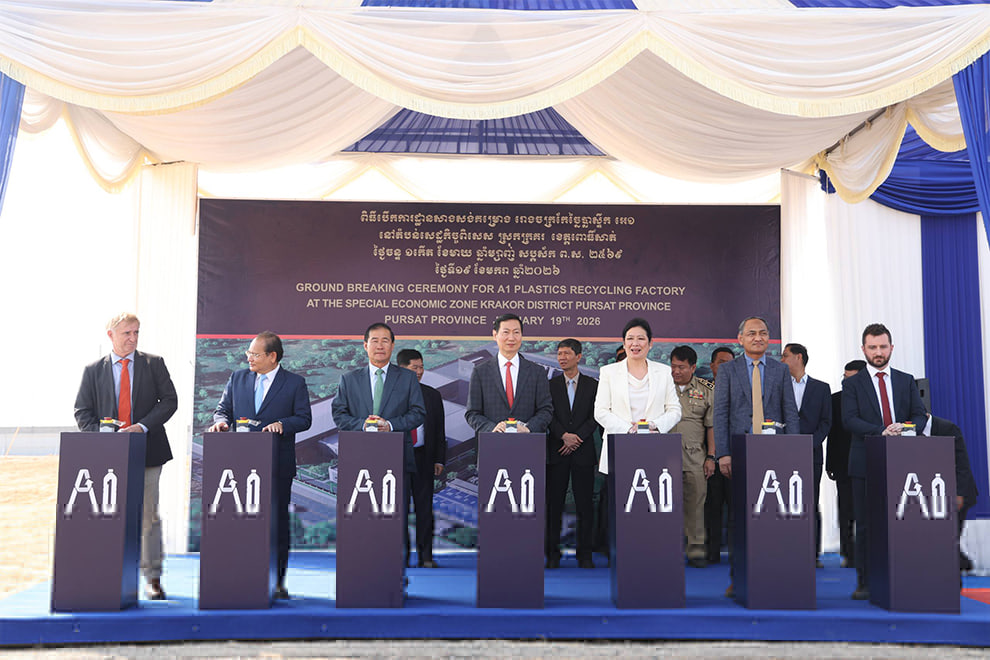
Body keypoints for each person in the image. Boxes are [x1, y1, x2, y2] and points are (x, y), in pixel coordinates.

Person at [74, 313, 178, 601]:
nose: (133, 338)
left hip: (148, 451)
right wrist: (103, 435)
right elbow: (82, 412)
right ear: (110, 335)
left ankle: (152, 578)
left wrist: (142, 426)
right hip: (107, 458)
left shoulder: (154, 363)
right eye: (127, 333)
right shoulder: (93, 370)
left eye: (136, 333)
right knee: (108, 516)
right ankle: (107, 574)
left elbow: (170, 401)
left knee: (148, 516)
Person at [208, 331, 312, 600]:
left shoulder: (294, 383)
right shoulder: (238, 378)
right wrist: (221, 422)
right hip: (240, 465)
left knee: (276, 524)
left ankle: (277, 581)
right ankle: (243, 575)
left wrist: (282, 424)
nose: (249, 358)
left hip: (277, 465)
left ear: (272, 356)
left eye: (255, 354)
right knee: (243, 522)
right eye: (248, 353)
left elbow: (304, 419)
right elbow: (222, 409)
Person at [713, 317, 799, 597]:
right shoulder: (728, 370)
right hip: (739, 452)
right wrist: (723, 453)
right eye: (751, 333)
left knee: (773, 517)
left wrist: (794, 450)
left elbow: (789, 411)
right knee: (740, 518)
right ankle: (738, 577)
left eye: (763, 333)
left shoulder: (780, 370)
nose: (758, 338)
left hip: (775, 453)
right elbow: (721, 413)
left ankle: (773, 574)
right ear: (740, 339)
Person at [842, 323, 927, 600]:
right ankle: (865, 582)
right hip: (865, 463)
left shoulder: (906, 380)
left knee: (902, 523)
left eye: (882, 347)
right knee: (866, 525)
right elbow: (849, 420)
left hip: (903, 463)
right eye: (872, 347)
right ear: (863, 349)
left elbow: (920, 415)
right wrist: (882, 431)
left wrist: (905, 427)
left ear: (891, 347)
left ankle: (903, 578)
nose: (878, 352)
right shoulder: (852, 384)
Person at [332, 323, 427, 571]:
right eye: (374, 340)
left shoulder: (406, 378)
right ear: (365, 346)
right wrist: (362, 425)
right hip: (360, 461)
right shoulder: (349, 379)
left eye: (385, 340)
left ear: (392, 346)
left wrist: (391, 425)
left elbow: (418, 413)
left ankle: (397, 573)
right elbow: (339, 415)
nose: (380, 345)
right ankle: (363, 569)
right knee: (363, 519)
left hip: (397, 459)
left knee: (396, 518)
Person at [594, 317, 681, 474]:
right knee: (620, 488)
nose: (635, 343)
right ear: (624, 343)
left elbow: (675, 410)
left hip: (654, 445)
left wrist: (651, 425)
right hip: (619, 445)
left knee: (650, 486)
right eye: (630, 339)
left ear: (650, 343)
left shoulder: (663, 372)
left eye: (641, 338)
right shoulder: (609, 372)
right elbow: (600, 411)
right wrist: (629, 430)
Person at [546, 339, 600, 569]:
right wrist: (563, 436)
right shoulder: (550, 385)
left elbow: (596, 415)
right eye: (559, 354)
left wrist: (576, 438)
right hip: (557, 450)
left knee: (584, 505)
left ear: (578, 357)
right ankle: (552, 554)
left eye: (567, 353)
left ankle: (585, 554)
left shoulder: (592, 385)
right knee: (553, 505)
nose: (562, 358)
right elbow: (547, 413)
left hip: (582, 451)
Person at [781, 342, 832, 568]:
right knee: (785, 502)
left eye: (785, 356)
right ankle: (787, 549)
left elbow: (826, 421)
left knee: (810, 502)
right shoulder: (779, 386)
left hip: (812, 454)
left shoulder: (821, 388)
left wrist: (811, 442)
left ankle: (813, 554)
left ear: (798, 357)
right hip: (784, 452)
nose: (782, 360)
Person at [397, 348, 446, 568]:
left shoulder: (432, 395)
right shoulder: (392, 395)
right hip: (398, 459)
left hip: (424, 458)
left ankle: (426, 556)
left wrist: (439, 459)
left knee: (424, 510)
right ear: (401, 369)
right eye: (414, 367)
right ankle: (402, 557)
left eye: (421, 367)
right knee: (399, 510)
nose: (419, 371)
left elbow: (439, 430)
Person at [465, 313, 552, 437]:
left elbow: (546, 410)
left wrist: (528, 429)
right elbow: (472, 413)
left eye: (516, 332)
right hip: (492, 442)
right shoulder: (480, 372)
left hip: (528, 442)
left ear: (521, 335)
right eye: (506, 332)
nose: (511, 338)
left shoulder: (537, 372)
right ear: (495, 335)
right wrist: (492, 428)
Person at [669, 345, 715, 568]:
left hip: (695, 457)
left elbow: (711, 426)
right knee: (664, 505)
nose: (676, 371)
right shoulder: (662, 387)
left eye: (681, 367)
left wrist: (711, 457)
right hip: (663, 457)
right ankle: (667, 549)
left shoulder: (706, 390)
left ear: (693, 367)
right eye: (673, 366)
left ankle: (696, 549)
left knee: (695, 505)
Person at [922, 413, 980, 574]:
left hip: (958, 493)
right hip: (936, 495)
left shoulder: (948, 428)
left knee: (950, 537)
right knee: (942, 537)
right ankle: (963, 564)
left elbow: (962, 465)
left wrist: (959, 494)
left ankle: (958, 571)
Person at [825, 359, 865, 569]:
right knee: (846, 510)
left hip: (869, 463)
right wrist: (829, 463)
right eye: (844, 378)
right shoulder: (834, 400)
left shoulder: (873, 398)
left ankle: (869, 552)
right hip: (843, 463)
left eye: (851, 378)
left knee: (868, 510)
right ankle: (848, 553)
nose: (846, 383)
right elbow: (831, 434)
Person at [704, 346, 735, 564]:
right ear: (712, 366)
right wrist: (710, 455)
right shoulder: (704, 391)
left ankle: (737, 553)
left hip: (735, 457)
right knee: (711, 508)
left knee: (736, 507)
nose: (726, 368)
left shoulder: (742, 390)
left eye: (730, 364)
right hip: (710, 458)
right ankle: (711, 552)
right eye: (722, 363)